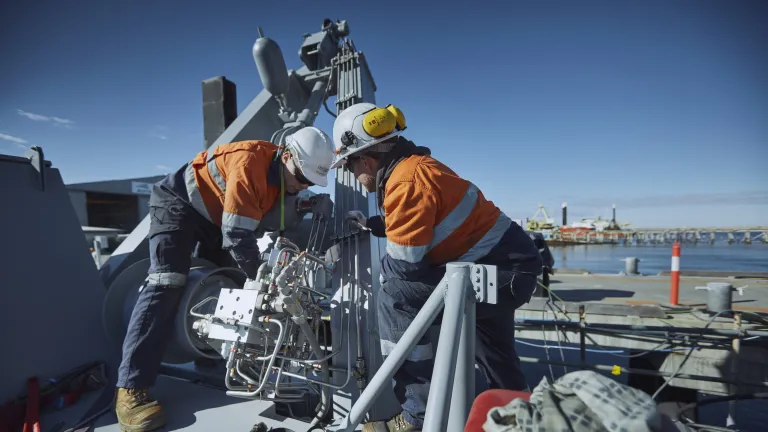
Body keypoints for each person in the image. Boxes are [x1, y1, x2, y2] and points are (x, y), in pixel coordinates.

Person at [331, 103, 543, 431]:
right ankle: (523, 418)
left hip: (494, 274)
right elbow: (419, 219)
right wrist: (372, 224)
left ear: (366, 160)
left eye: (348, 166)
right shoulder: (414, 169)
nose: (353, 176)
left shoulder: (405, 183)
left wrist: (384, 267)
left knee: (394, 297)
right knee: (497, 356)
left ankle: (418, 417)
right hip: (508, 268)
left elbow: (406, 269)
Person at [115, 127, 335, 431]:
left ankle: (213, 353)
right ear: (286, 156)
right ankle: (131, 388)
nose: (302, 186)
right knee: (166, 282)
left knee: (224, 283)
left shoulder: (285, 176)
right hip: (178, 205)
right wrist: (267, 281)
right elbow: (236, 236)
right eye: (301, 177)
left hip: (214, 216)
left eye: (310, 182)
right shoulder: (250, 166)